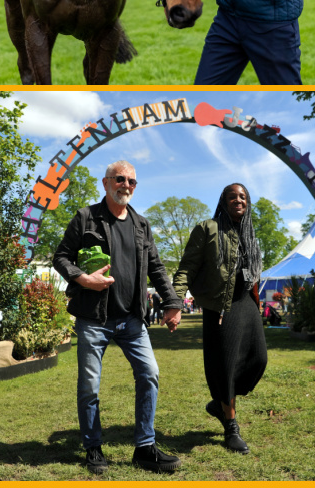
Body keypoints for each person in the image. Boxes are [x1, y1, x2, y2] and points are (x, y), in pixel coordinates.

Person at [53, 161, 184, 474]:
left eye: (132, 182)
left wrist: (172, 302)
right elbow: (60, 257)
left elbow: (157, 268)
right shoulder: (86, 218)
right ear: (106, 182)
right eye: (120, 179)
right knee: (89, 385)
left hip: (132, 319)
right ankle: (93, 447)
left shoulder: (142, 224)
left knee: (149, 374)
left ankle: (145, 447)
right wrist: (83, 278)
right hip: (93, 319)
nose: (126, 185)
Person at [171, 184, 268, 454]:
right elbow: (186, 268)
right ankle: (231, 426)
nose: (239, 200)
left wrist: (256, 302)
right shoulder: (208, 229)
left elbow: (253, 273)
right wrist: (175, 303)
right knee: (225, 367)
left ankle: (219, 402)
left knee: (258, 360)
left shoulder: (249, 234)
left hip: (246, 303)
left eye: (243, 197)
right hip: (221, 307)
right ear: (223, 202)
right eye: (232, 196)